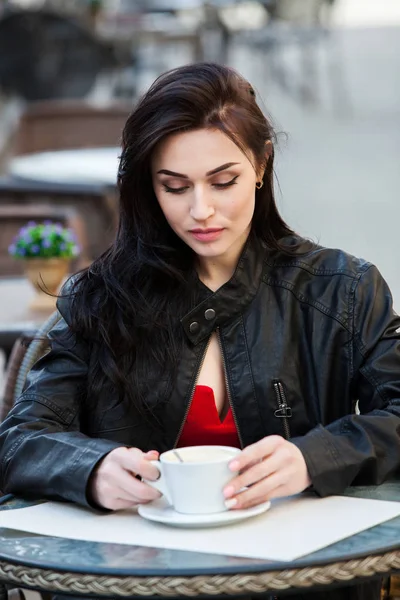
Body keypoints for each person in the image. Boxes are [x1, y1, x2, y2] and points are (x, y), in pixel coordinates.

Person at [0, 63, 399, 600]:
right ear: (148, 185)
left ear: (260, 165)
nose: (200, 210)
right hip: (132, 585)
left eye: (223, 181)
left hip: (296, 585)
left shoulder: (342, 291)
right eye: (174, 186)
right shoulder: (99, 297)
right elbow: (19, 439)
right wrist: (90, 468)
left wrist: (313, 457)